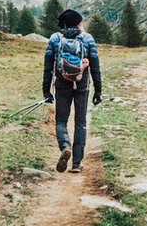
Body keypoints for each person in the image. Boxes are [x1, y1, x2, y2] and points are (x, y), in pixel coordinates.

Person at [43, 9, 102, 173]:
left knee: (61, 121)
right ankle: (76, 163)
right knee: (80, 122)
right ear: (78, 23)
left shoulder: (55, 39)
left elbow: (47, 68)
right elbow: (95, 67)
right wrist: (98, 91)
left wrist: (46, 92)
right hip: (82, 84)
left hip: (62, 85)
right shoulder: (87, 38)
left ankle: (64, 147)